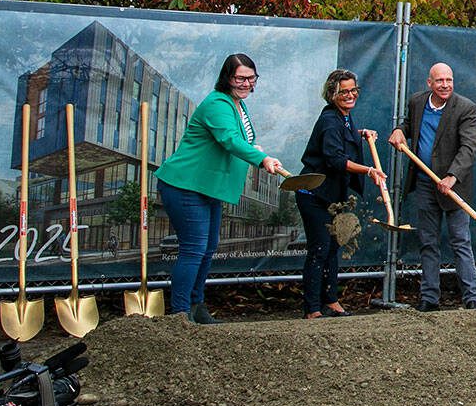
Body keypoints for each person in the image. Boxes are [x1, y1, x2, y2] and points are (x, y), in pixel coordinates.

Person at [155, 53, 287, 325]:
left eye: (251, 78)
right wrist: (260, 159)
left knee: (207, 247)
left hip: (208, 188)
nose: (246, 83)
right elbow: (227, 138)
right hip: (185, 184)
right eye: (240, 78)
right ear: (227, 77)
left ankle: (196, 305)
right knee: (193, 248)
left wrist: (256, 150)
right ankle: (179, 316)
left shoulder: (238, 105)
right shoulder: (217, 103)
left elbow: (238, 139)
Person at [389, 63, 476, 311]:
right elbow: (409, 125)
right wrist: (399, 130)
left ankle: (471, 298)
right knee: (428, 242)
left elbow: (468, 148)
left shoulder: (465, 108)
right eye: (440, 81)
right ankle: (429, 298)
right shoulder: (418, 102)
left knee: (460, 241)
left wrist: (452, 176)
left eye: (449, 80)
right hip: (424, 183)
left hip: (454, 187)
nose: (445, 85)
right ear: (429, 83)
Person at [296, 69, 386, 320]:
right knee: (320, 249)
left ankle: (331, 300)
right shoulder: (329, 120)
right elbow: (335, 159)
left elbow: (343, 137)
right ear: (332, 94)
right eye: (343, 91)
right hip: (313, 194)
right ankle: (312, 308)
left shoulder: (344, 118)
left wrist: (361, 134)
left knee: (333, 248)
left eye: (353, 90)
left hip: (333, 197)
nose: (349, 95)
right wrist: (368, 169)